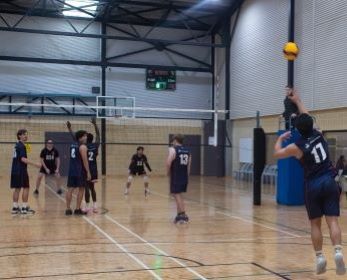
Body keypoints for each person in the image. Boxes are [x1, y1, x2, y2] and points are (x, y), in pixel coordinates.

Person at [273, 89, 346, 275]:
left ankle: (320, 257)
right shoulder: (319, 134)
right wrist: (298, 100)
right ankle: (338, 251)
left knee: (315, 224)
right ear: (311, 125)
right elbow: (307, 117)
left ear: (297, 129)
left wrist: (280, 139)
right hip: (329, 181)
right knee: (333, 221)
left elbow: (277, 153)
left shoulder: (295, 147)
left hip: (313, 184)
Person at [11, 129, 41, 214]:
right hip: (21, 170)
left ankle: (15, 207)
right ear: (19, 136)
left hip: (15, 170)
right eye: (24, 134)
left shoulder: (16, 145)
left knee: (17, 188)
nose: (26, 136)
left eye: (26, 134)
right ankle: (24, 208)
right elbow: (23, 159)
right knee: (26, 187)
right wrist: (36, 164)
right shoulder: (21, 146)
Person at [65, 128, 91, 216]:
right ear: (80, 137)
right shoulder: (83, 147)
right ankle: (77, 209)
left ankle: (68, 209)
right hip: (80, 171)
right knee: (81, 189)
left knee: (70, 189)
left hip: (72, 171)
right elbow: (85, 161)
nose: (86, 137)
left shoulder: (73, 145)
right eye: (85, 136)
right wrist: (88, 172)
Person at [166, 134, 191, 224]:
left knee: (176, 195)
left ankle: (183, 215)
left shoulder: (173, 149)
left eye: (173, 141)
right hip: (184, 176)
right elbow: (188, 166)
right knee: (179, 195)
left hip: (176, 176)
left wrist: (168, 173)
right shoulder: (188, 151)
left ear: (176, 140)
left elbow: (168, 163)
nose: (172, 142)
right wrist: (186, 177)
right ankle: (179, 215)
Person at [84, 118, 100, 213]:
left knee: (86, 187)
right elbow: (98, 135)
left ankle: (86, 206)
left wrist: (70, 129)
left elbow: (75, 138)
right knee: (92, 188)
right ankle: (95, 206)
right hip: (94, 169)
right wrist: (95, 124)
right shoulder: (95, 145)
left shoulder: (83, 146)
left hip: (86, 169)